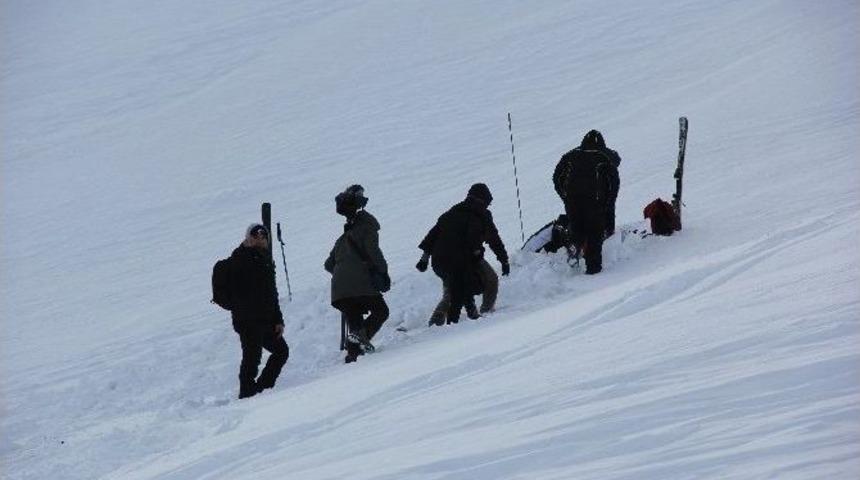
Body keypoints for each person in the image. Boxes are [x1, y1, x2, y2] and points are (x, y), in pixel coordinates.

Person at [416, 183, 510, 326]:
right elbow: (493, 239)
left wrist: (424, 259)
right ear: (483, 200)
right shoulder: (481, 215)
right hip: (462, 259)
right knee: (490, 279)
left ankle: (436, 324)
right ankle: (485, 313)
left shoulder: (451, 213)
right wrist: (503, 260)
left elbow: (432, 236)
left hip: (441, 261)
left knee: (452, 291)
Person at [324, 185, 390, 363]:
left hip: (339, 290)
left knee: (354, 320)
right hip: (360, 283)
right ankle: (361, 338)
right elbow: (373, 252)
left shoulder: (342, 239)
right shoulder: (368, 229)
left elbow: (328, 264)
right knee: (381, 311)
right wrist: (383, 271)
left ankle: (353, 355)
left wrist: (342, 273)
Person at [228, 223, 289, 399]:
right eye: (256, 236)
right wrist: (246, 247)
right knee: (252, 357)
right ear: (249, 238)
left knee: (281, 351)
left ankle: (262, 388)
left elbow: (272, 293)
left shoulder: (265, 260)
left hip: (266, 319)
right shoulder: (240, 257)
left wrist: (278, 319)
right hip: (247, 319)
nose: (260, 240)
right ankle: (247, 392)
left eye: (263, 237)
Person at [552, 130, 621, 274]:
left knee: (577, 228)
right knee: (595, 233)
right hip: (595, 202)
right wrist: (607, 204)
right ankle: (593, 269)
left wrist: (565, 195)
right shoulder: (604, 157)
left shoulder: (571, 155)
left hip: (572, 200)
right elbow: (614, 184)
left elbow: (556, 177)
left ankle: (574, 254)